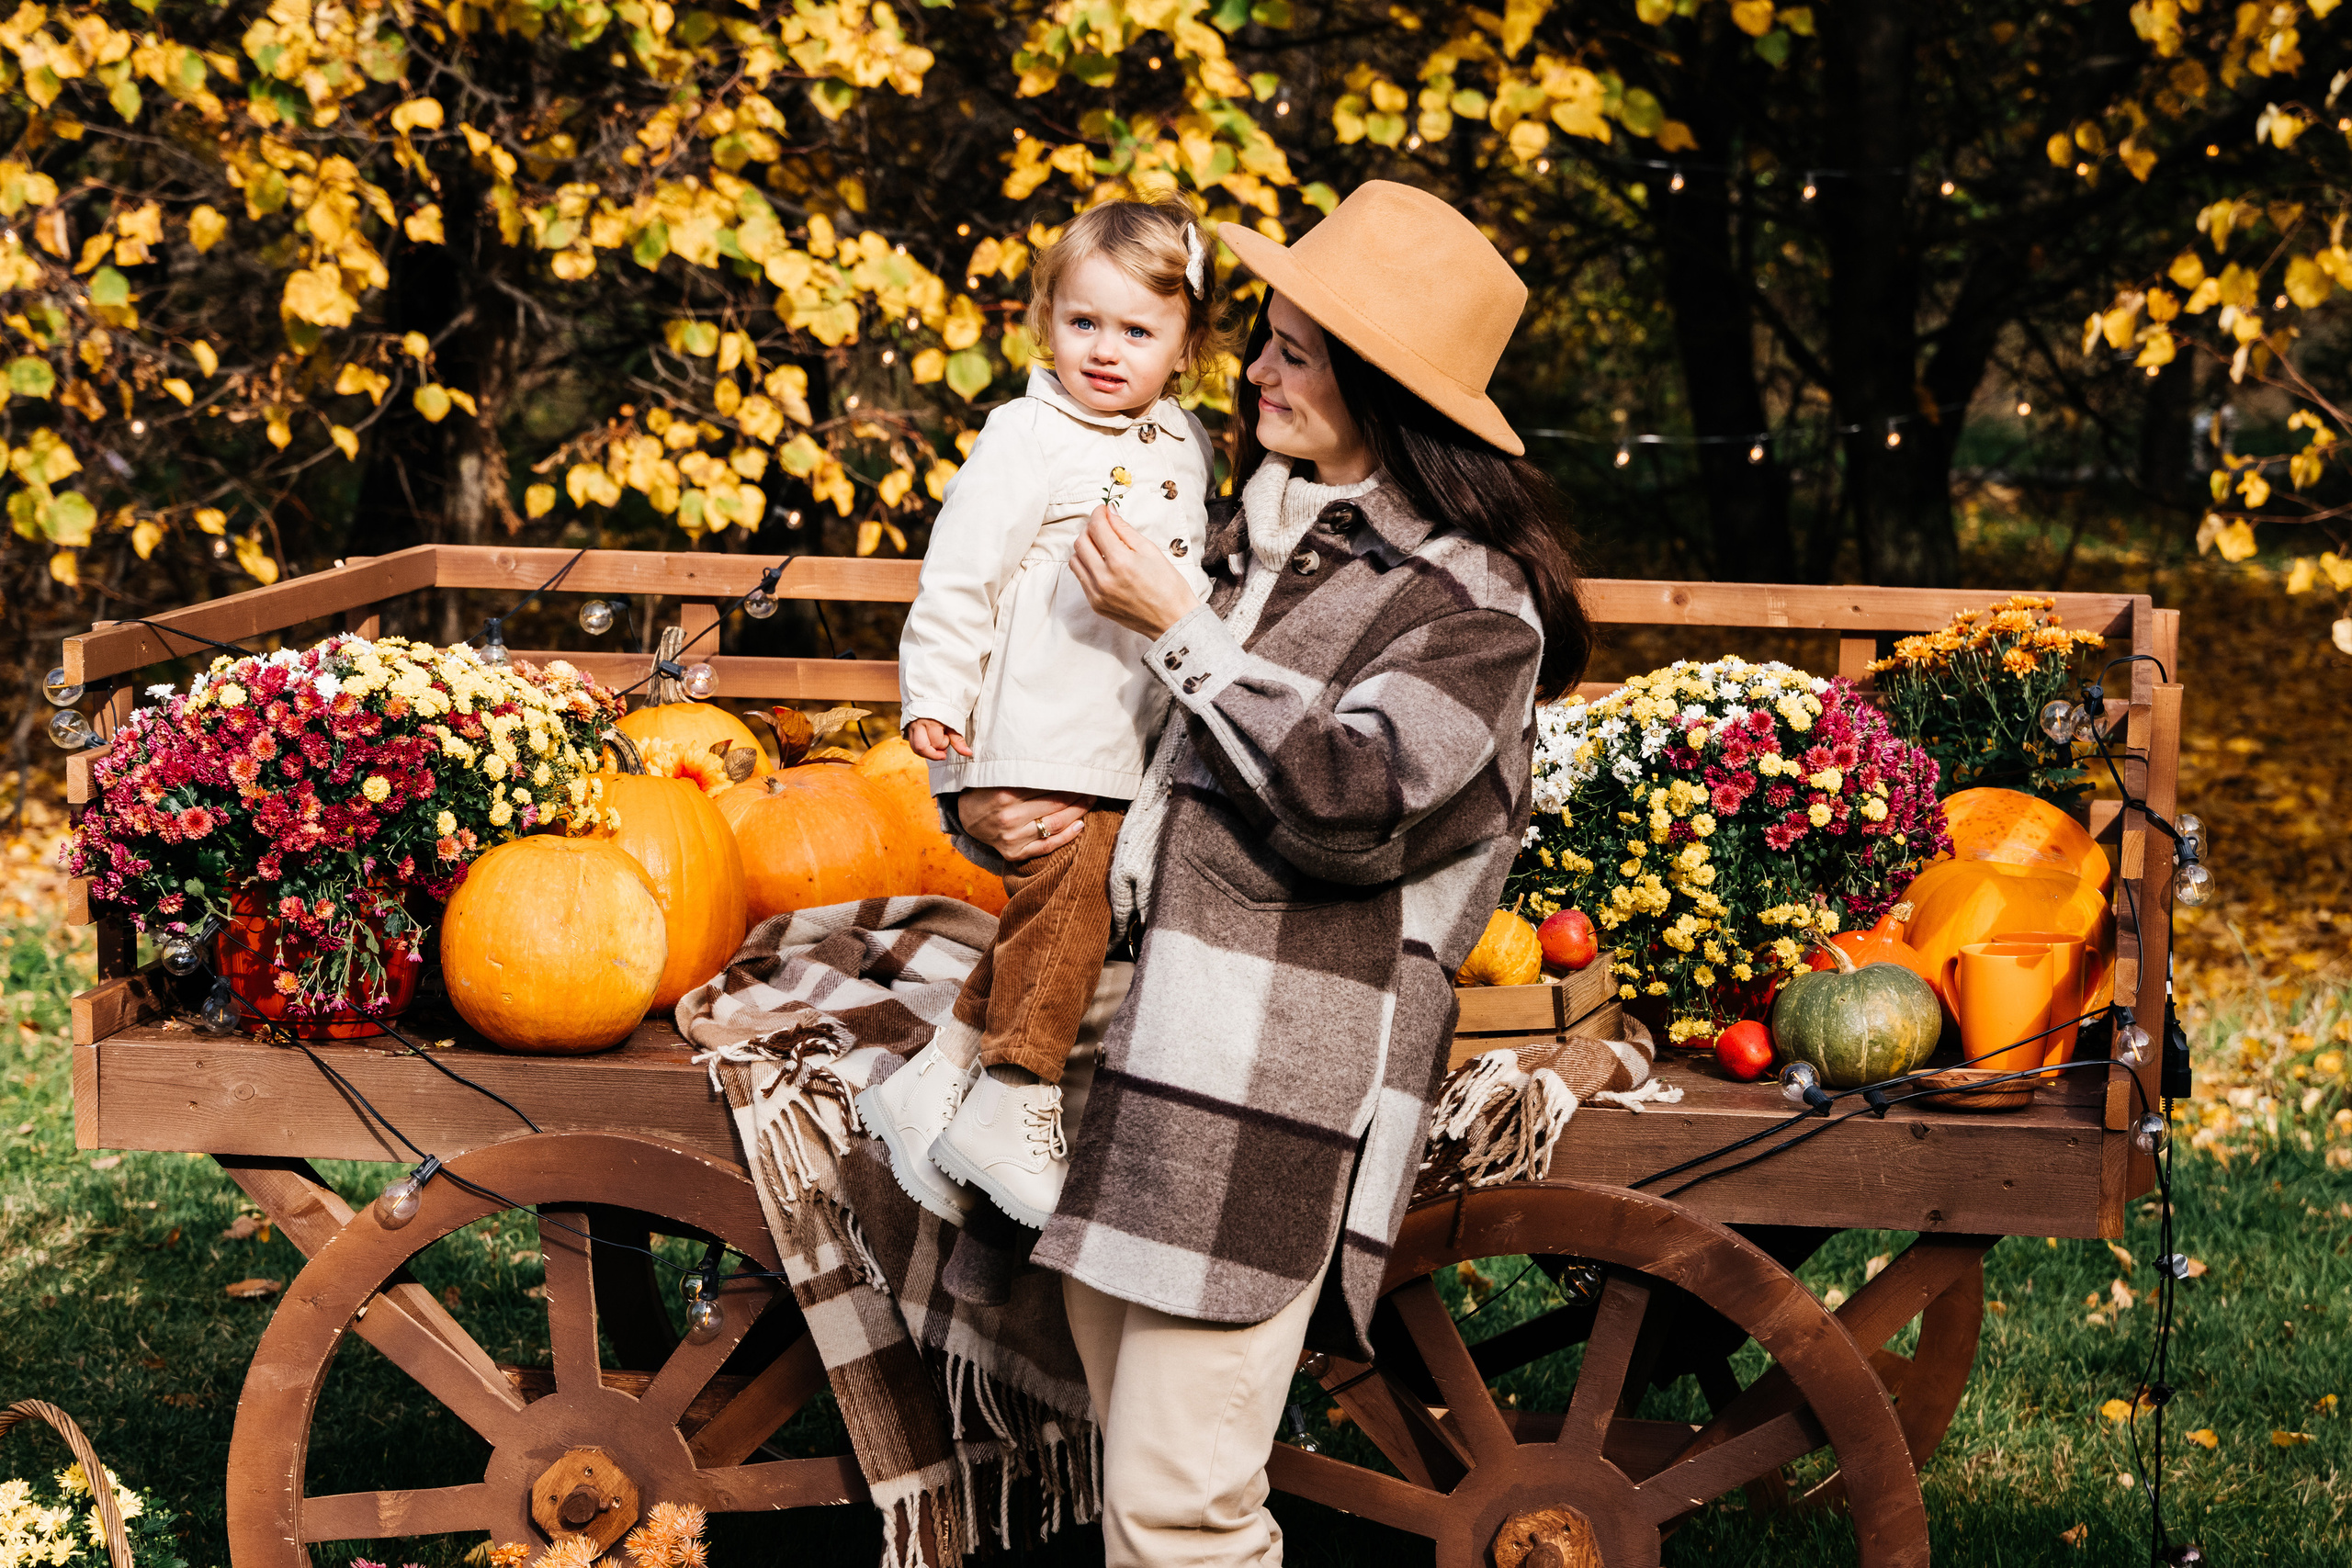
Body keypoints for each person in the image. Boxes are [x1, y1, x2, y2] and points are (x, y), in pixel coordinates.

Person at [955, 180, 1594, 1567]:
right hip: (1135, 1062)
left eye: (1295, 351)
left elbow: (1352, 803)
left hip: (1258, 1090)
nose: (1252, 369)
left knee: (1185, 1515)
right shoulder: (1253, 528)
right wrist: (997, 800)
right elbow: (1103, 720)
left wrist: (1184, 629)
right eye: (1268, 339)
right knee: (1144, 1486)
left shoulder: (1472, 605)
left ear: (1380, 388)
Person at [860, 197, 1222, 1232]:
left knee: (1063, 909)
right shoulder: (1026, 434)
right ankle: (1017, 1092)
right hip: (1039, 728)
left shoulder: (1185, 441)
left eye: (1137, 330)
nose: (1105, 351)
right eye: (1082, 323)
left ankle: (938, 1079)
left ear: (1184, 345)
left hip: (1125, 738)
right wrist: (934, 702)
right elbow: (958, 578)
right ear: (1043, 323)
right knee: (1071, 904)